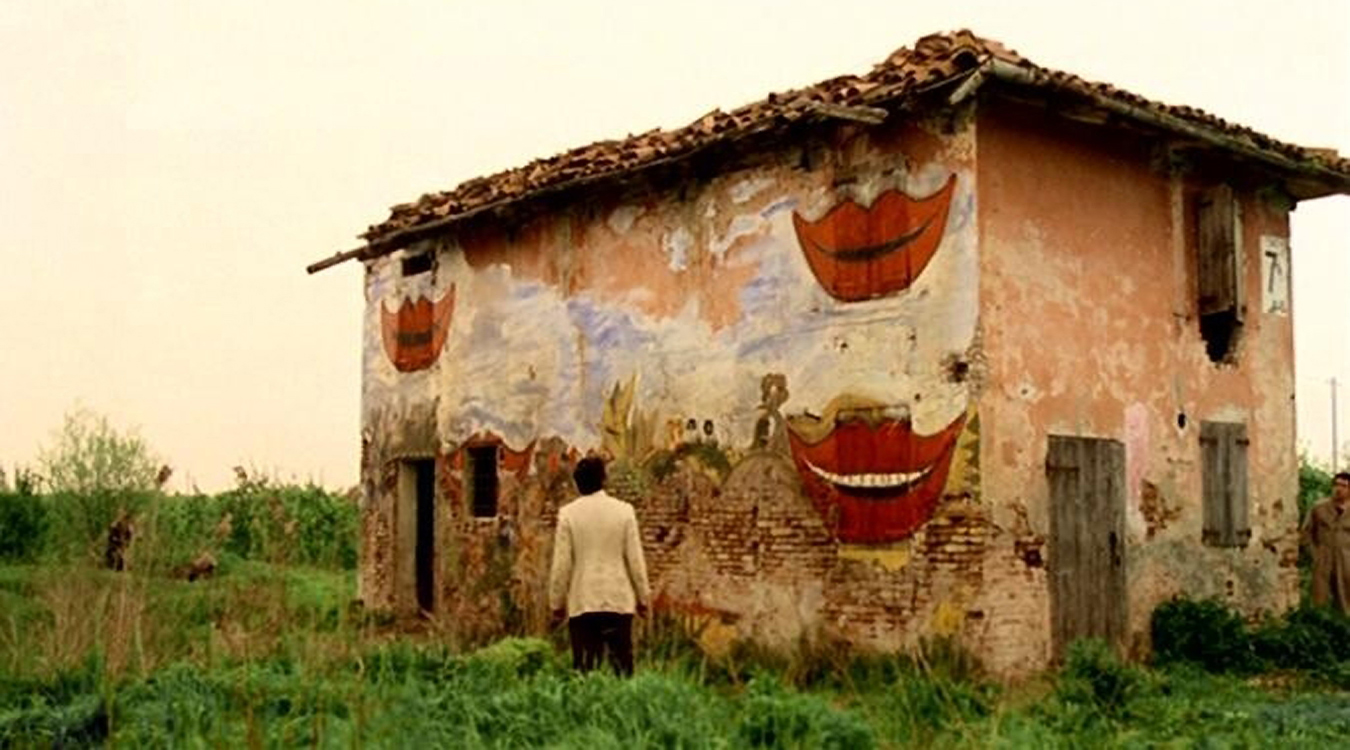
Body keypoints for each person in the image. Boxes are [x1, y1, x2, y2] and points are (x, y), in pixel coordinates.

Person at [548, 456, 651, 675]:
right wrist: (643, 598)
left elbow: (561, 565)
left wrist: (556, 603)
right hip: (618, 601)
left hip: (583, 601)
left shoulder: (568, 514)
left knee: (585, 671)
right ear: (604, 479)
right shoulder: (625, 511)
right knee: (622, 670)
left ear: (577, 483)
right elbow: (635, 560)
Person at [1301, 471, 1350, 614]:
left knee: (1345, 598)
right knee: (1319, 596)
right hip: (1323, 557)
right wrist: (1314, 554)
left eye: (1344, 486)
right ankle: (1320, 628)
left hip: (1346, 559)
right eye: (1336, 484)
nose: (1338, 489)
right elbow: (1306, 533)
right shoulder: (1319, 508)